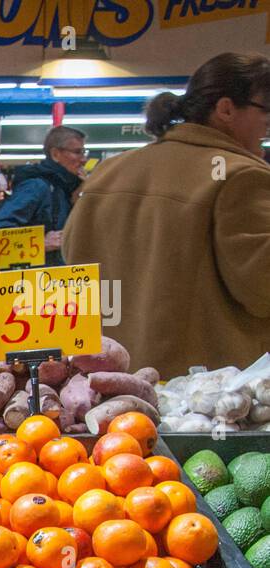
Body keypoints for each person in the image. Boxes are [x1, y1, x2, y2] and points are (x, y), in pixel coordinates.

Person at [64, 52, 270, 377]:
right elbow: (262, 289)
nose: (267, 123)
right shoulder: (242, 176)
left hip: (109, 387)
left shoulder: (108, 172)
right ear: (226, 108)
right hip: (204, 398)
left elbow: (72, 262)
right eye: (265, 109)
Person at [0, 125, 86, 271]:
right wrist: (41, 243)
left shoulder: (63, 189)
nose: (84, 159)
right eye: (78, 152)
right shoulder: (36, 187)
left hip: (49, 282)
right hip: (28, 285)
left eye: (84, 152)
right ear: (55, 154)